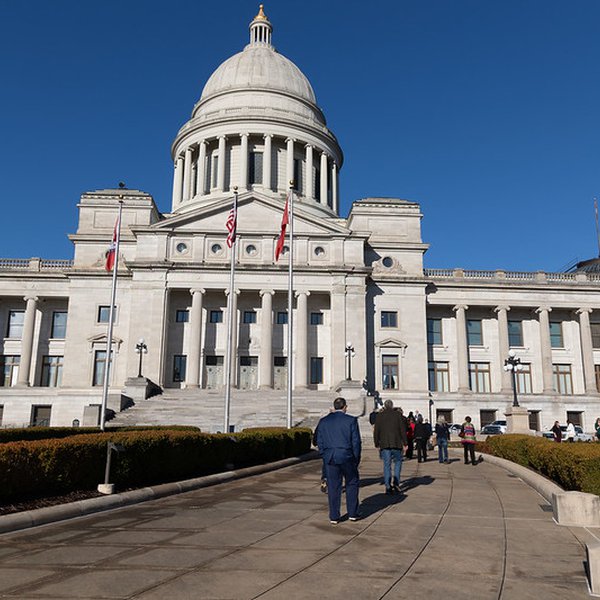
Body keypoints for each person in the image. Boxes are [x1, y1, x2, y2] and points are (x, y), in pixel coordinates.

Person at [315, 397, 361, 524]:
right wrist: (356, 458)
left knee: (334, 487)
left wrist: (324, 454)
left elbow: (320, 441)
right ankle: (352, 513)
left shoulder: (324, 421)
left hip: (330, 457)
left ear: (334, 407)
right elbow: (356, 442)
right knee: (352, 483)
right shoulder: (351, 420)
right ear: (345, 407)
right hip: (347, 456)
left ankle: (334, 516)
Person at [373, 399, 408, 494]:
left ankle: (388, 486)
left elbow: (376, 431)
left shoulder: (380, 416)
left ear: (384, 406)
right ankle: (396, 484)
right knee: (397, 464)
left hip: (384, 444)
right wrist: (405, 443)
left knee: (387, 465)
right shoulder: (398, 415)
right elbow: (402, 430)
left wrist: (376, 443)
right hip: (396, 444)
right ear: (392, 406)